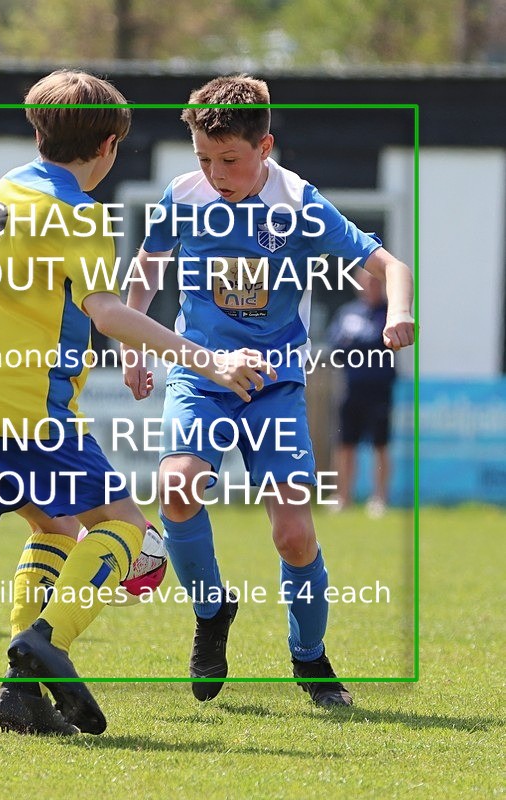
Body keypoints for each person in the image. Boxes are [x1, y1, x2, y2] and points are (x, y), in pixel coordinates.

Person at [0, 69, 275, 736]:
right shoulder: (76, 213)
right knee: (125, 527)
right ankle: (47, 639)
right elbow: (107, 311)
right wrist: (211, 362)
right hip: (16, 406)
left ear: (36, 130)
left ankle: (21, 694)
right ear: (109, 146)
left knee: (52, 528)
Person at [122, 75, 415, 708]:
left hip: (277, 386)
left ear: (266, 146)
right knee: (176, 487)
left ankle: (311, 660)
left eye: (229, 159)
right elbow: (147, 269)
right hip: (202, 376)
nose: (216, 172)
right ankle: (211, 612)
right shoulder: (181, 195)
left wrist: (398, 312)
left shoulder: (300, 204)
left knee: (293, 536)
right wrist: (134, 343)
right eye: (204, 158)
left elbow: (390, 265)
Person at [327, 271, 397, 518]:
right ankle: (343, 496)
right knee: (345, 444)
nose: (372, 286)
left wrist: (358, 341)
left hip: (379, 390)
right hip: (350, 388)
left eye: (377, 281)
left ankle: (379, 498)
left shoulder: (390, 313)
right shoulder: (348, 312)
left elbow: (383, 341)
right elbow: (335, 342)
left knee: (380, 444)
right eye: (368, 282)